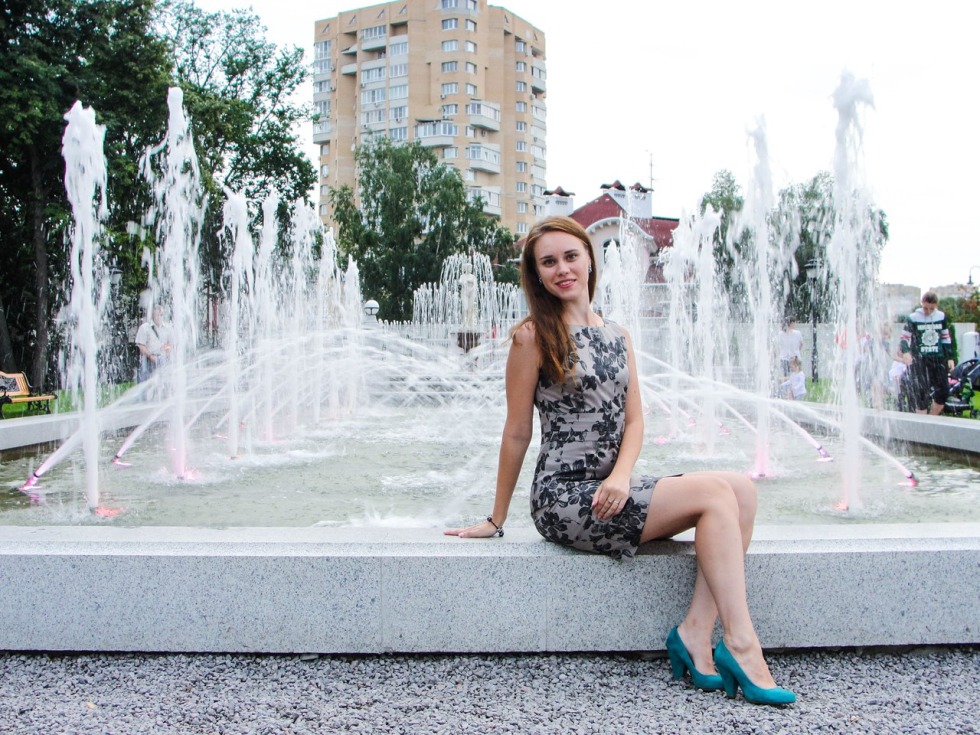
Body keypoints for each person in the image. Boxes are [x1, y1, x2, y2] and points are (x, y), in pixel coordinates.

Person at [445, 216, 795, 706]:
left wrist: (622, 475)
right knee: (717, 495)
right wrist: (495, 518)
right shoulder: (532, 337)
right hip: (565, 496)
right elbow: (517, 431)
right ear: (537, 274)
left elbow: (634, 423)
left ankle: (696, 632)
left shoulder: (618, 334)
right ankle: (741, 644)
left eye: (570, 256)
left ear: (589, 258)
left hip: (613, 486)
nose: (562, 269)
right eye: (548, 262)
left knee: (742, 490)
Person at [899, 291, 954, 415]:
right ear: (921, 303)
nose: (928, 311)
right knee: (920, 392)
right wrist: (906, 352)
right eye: (925, 308)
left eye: (931, 309)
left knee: (944, 391)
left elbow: (946, 337)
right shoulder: (913, 318)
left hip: (937, 358)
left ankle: (932, 418)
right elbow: (904, 337)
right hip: (920, 359)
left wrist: (950, 357)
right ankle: (922, 422)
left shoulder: (941, 316)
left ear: (936, 306)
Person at [135, 304, 173, 383]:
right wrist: (150, 356)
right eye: (157, 315)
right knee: (148, 383)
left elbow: (170, 344)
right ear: (153, 315)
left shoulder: (168, 328)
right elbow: (141, 345)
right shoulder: (145, 327)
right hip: (148, 360)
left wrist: (167, 353)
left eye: (161, 315)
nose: (159, 317)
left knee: (163, 383)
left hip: (163, 359)